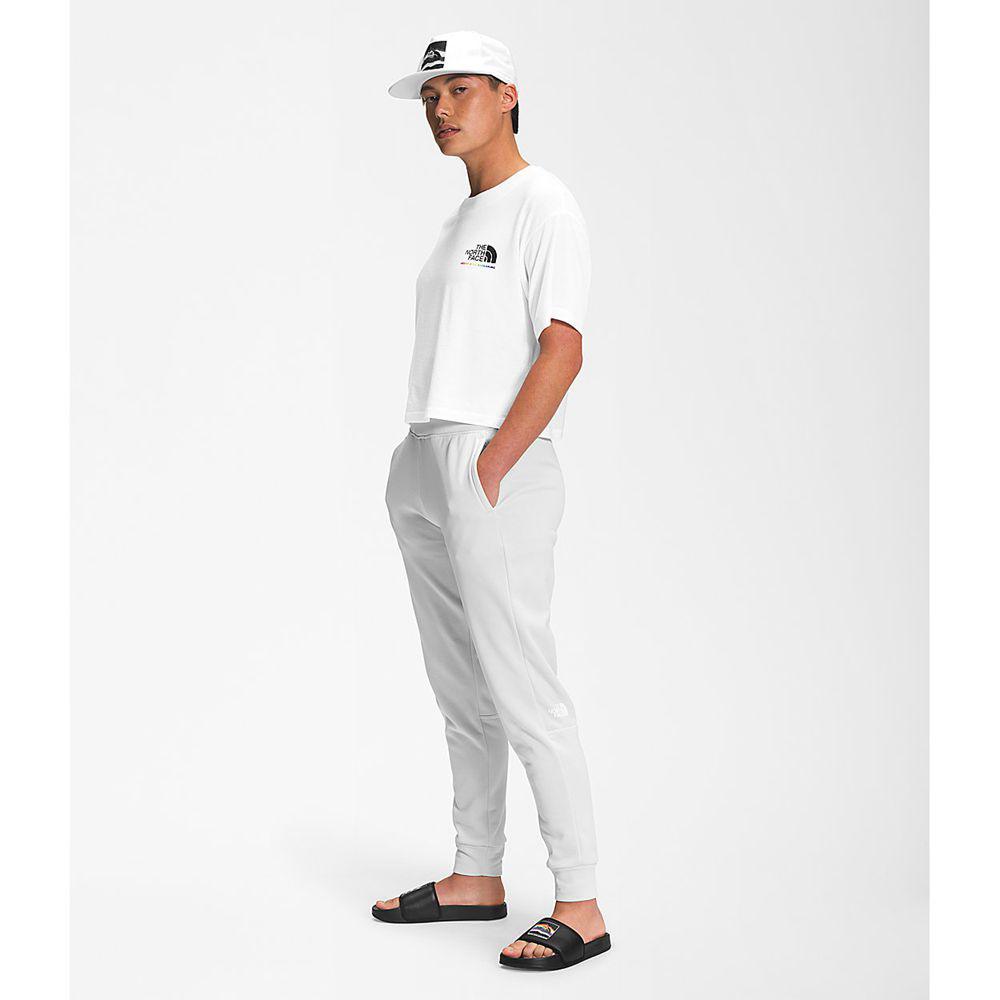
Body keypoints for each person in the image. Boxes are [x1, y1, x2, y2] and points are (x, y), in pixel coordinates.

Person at [375, 30, 611, 972]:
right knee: (459, 688)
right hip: (427, 460)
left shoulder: (543, 203)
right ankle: (476, 872)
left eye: (460, 89)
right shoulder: (458, 221)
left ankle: (581, 902)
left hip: (491, 464)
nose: (441, 109)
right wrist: (418, 460)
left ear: (508, 94)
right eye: (431, 96)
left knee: (523, 689)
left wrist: (494, 462)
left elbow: (564, 346)